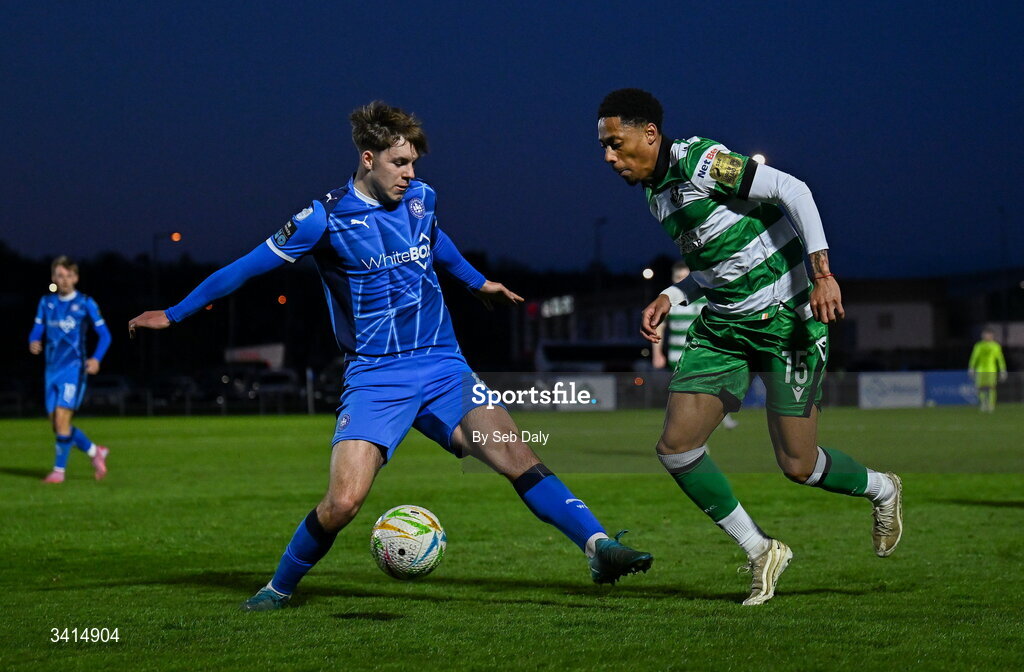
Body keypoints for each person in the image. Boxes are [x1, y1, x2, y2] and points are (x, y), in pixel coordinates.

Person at [130, 101, 652, 611]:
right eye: (398, 163)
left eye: (413, 164)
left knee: (516, 455)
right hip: (377, 377)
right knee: (343, 503)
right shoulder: (323, 218)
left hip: (445, 366)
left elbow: (436, 242)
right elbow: (243, 268)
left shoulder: (421, 199)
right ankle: (279, 588)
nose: (408, 173)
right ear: (367, 158)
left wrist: (477, 282)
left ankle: (598, 547)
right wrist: (175, 313)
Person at [596, 88, 903, 605]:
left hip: (788, 322)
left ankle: (881, 487)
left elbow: (794, 190)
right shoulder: (656, 195)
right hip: (725, 329)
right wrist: (674, 293)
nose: (609, 156)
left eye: (617, 143)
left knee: (798, 465)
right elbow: (719, 262)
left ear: (649, 133)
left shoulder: (700, 160)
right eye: (604, 146)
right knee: (676, 446)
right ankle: (761, 550)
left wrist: (823, 273)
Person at [28, 256, 112, 483]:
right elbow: (36, 330)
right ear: (53, 278)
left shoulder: (86, 303)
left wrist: (96, 359)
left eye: (68, 275)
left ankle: (58, 471)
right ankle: (96, 452)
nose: (64, 280)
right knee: (57, 425)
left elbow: (105, 335)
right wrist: (33, 341)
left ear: (75, 277)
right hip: (51, 370)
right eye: (59, 276)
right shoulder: (46, 303)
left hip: (74, 370)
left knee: (63, 420)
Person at [653, 261, 737, 430]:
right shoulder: (669, 301)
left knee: (710, 392)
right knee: (688, 398)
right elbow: (658, 326)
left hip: (703, 355)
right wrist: (657, 353)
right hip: (678, 357)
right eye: (678, 277)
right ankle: (695, 438)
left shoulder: (705, 299)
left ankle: (717, 418)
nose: (682, 280)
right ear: (673, 278)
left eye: (685, 277)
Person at [968, 327, 1007, 412]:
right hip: (980, 370)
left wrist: (1003, 370)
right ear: (983, 335)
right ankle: (983, 403)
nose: (987, 336)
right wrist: (971, 367)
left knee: (991, 388)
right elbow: (974, 357)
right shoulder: (979, 345)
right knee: (980, 388)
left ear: (992, 336)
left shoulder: (996, 346)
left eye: (989, 334)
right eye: (985, 334)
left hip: (991, 370)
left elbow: (1000, 358)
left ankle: (991, 405)